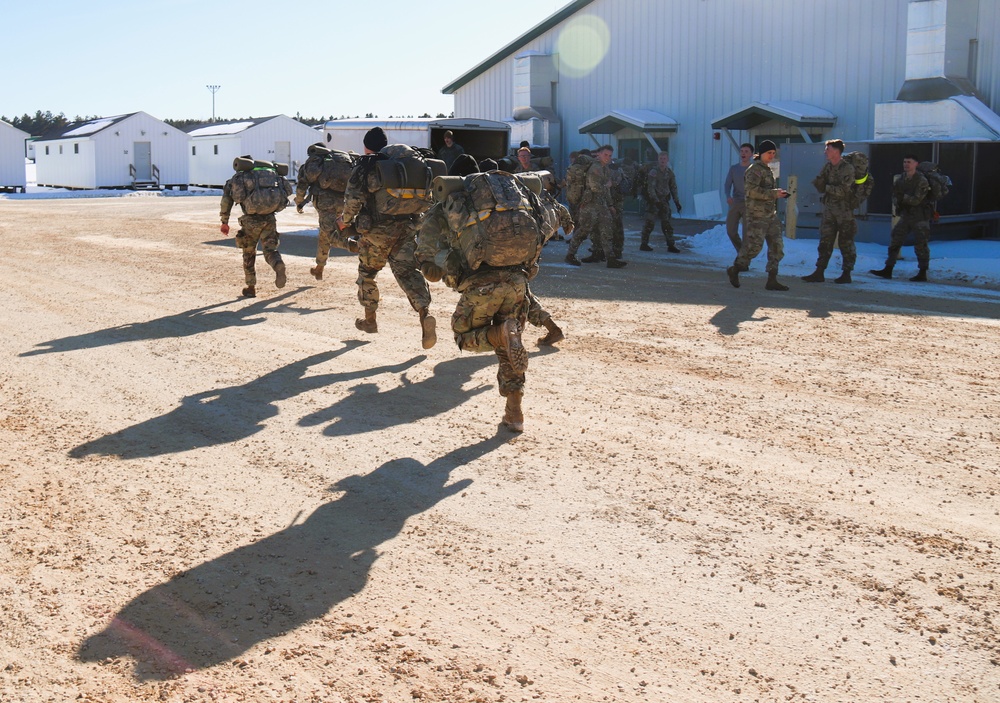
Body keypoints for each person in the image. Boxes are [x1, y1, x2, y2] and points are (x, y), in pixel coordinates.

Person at [415, 160, 549, 432]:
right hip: (517, 282)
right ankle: (514, 412)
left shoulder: (450, 206)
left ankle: (499, 335)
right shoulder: (514, 199)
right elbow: (549, 220)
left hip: (480, 285)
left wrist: (430, 264)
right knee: (509, 347)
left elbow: (426, 249)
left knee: (465, 337)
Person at [338, 127, 436, 348]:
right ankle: (424, 313)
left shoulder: (368, 165)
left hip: (376, 233)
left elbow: (353, 199)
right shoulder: (406, 164)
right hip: (407, 228)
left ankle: (370, 320)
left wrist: (345, 220)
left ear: (366, 146)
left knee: (367, 274)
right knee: (408, 272)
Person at [219, 157, 293, 298]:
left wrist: (224, 221)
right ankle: (277, 264)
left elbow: (227, 200)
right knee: (270, 249)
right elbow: (288, 191)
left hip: (251, 221)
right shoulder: (272, 175)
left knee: (249, 252)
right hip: (270, 218)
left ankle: (251, 286)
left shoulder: (240, 177)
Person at [726, 140, 790, 291]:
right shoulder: (754, 170)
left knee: (776, 246)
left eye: (773, 153)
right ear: (761, 153)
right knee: (754, 247)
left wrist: (778, 193)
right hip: (757, 216)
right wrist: (774, 194)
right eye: (769, 153)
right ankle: (735, 269)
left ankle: (772, 279)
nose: (771, 156)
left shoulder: (767, 170)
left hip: (770, 215)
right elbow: (752, 191)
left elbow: (766, 191)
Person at [294, 144, 358, 281]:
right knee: (325, 232)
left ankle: (351, 245)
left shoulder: (317, 161)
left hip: (325, 202)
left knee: (329, 234)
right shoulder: (341, 160)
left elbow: (302, 184)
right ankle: (319, 268)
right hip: (343, 201)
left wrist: (299, 201)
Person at [870, 154, 932, 282]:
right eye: (904, 162)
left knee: (921, 244)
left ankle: (922, 272)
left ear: (916, 164)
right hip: (906, 215)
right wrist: (899, 200)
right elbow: (895, 195)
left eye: (909, 162)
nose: (906, 164)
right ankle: (888, 268)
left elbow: (916, 200)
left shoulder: (921, 180)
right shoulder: (901, 179)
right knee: (895, 240)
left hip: (920, 217)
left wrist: (902, 198)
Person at [802, 139, 857, 284]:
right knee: (825, 241)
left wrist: (826, 187)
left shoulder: (847, 168)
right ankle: (819, 271)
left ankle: (847, 273)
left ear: (836, 151)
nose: (825, 152)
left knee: (846, 242)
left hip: (844, 211)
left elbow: (843, 191)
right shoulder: (828, 167)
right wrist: (820, 184)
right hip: (829, 210)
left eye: (828, 149)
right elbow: (820, 184)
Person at [565, 144, 627, 269]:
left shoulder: (605, 168)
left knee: (606, 231)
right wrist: (607, 186)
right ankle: (570, 255)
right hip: (590, 205)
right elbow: (595, 187)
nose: (608, 157)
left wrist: (610, 205)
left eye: (609, 155)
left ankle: (610, 259)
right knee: (583, 231)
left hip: (602, 205)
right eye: (605, 155)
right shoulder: (595, 168)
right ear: (599, 154)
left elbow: (606, 190)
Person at [639, 151, 682, 253]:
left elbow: (673, 188)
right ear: (658, 159)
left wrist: (677, 201)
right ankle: (644, 244)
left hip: (664, 201)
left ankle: (671, 245)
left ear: (667, 160)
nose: (662, 161)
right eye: (661, 159)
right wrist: (655, 200)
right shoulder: (654, 172)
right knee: (649, 223)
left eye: (664, 159)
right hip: (653, 201)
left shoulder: (669, 173)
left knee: (667, 224)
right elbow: (651, 187)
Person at [723, 143, 754, 252]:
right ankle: (741, 251)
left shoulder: (754, 169)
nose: (743, 153)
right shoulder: (734, 168)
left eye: (746, 151)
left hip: (749, 204)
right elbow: (727, 184)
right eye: (741, 151)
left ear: (751, 154)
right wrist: (728, 196)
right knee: (730, 230)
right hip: (736, 202)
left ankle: (743, 259)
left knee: (746, 233)